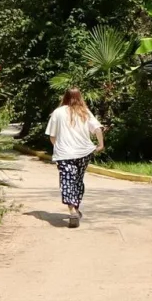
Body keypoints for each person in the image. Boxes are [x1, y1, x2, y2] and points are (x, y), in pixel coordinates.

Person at [46, 87, 103, 227]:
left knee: (67, 180)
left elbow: (52, 136)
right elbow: (97, 129)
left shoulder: (57, 113)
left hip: (64, 154)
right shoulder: (84, 112)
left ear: (65, 97)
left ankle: (72, 210)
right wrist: (100, 144)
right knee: (77, 180)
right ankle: (76, 208)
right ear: (80, 97)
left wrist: (58, 147)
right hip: (84, 153)